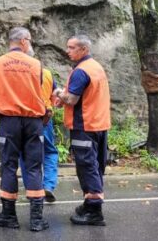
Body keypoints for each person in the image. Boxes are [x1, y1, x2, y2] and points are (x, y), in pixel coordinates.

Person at [0, 27, 49, 232]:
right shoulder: (37, 64)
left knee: (8, 165)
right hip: (33, 121)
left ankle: (9, 215)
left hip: (9, 121)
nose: (30, 43)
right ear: (23, 41)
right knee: (34, 167)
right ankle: (36, 219)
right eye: (29, 40)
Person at [55, 34, 111, 226]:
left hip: (84, 125)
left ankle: (94, 211)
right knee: (95, 165)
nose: (67, 51)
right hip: (99, 124)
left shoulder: (81, 71)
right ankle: (89, 204)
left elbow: (72, 99)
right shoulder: (95, 67)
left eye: (72, 47)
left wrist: (58, 93)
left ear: (84, 49)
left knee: (87, 167)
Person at [20, 66, 61, 203]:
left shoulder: (22, 72)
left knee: (26, 153)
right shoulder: (48, 73)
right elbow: (54, 96)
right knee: (49, 152)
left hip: (26, 117)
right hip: (45, 117)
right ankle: (48, 185)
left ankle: (31, 189)